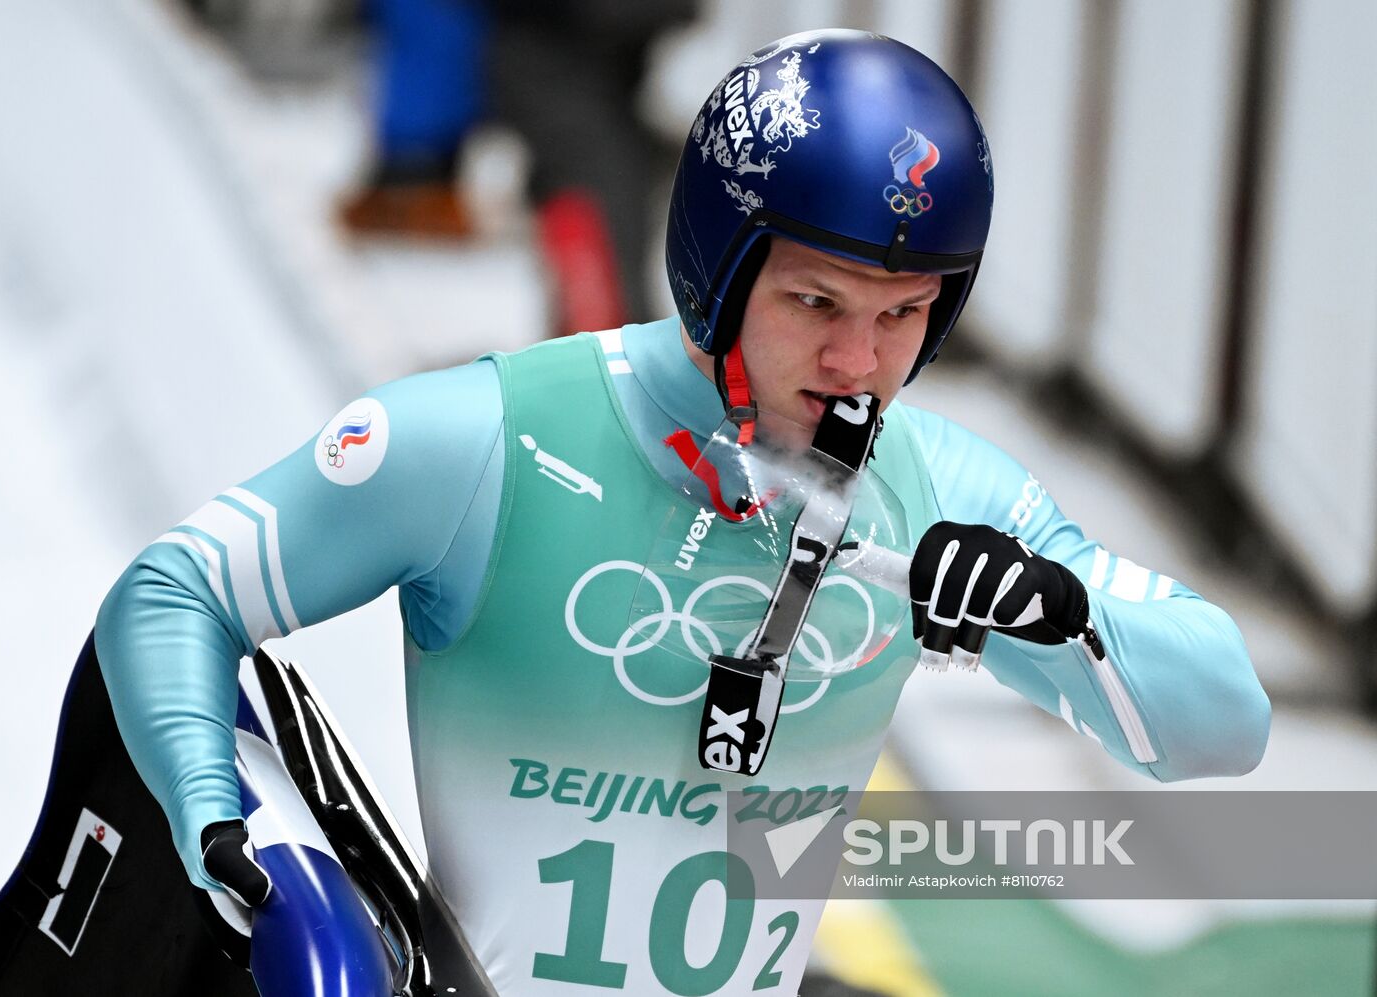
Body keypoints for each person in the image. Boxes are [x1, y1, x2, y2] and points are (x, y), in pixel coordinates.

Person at [93, 29, 1269, 995]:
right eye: (817, 300)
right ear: (718, 262)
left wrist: (1068, 614)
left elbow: (1227, 723)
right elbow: (169, 591)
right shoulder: (488, 440)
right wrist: (227, 826)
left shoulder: (942, 487)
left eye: (906, 314)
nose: (860, 362)